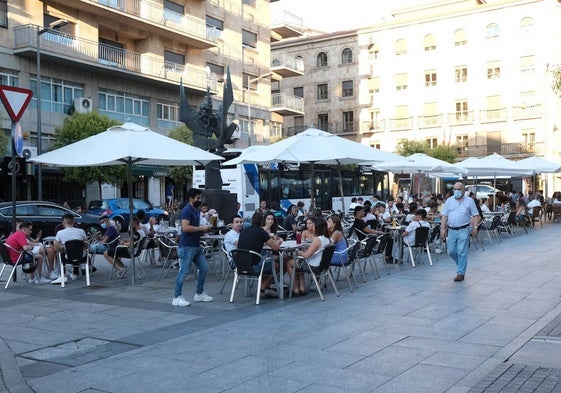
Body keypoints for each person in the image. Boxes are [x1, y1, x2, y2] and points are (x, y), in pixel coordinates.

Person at [172, 188, 214, 307]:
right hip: (186, 246)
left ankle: (199, 293)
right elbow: (185, 228)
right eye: (197, 198)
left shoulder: (196, 210)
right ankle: (177, 296)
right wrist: (201, 229)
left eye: (200, 198)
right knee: (183, 272)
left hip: (195, 245)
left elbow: (194, 226)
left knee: (204, 268)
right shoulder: (186, 211)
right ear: (191, 198)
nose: (199, 200)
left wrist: (205, 228)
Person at [440, 182, 481, 282]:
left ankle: (460, 273)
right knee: (451, 251)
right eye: (455, 189)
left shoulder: (469, 201)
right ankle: (461, 265)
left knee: (461, 251)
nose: (456, 191)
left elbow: (476, 215)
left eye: (458, 189)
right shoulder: (449, 201)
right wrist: (442, 228)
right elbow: (444, 216)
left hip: (464, 229)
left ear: (463, 190)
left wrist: (475, 228)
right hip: (451, 230)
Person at [237, 212, 283, 298]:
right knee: (276, 265)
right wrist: (279, 241)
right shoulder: (262, 232)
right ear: (262, 221)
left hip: (240, 265)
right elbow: (275, 248)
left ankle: (266, 288)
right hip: (254, 266)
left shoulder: (243, 231)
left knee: (267, 262)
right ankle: (262, 288)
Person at [287, 217, 331, 295]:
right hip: (323, 266)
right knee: (298, 262)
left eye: (313, 225)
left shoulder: (317, 239)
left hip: (313, 266)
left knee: (290, 263)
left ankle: (295, 288)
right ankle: (301, 286)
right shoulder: (327, 239)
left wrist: (299, 252)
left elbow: (306, 255)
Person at [53, 213, 88, 283]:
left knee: (60, 253)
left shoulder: (60, 233)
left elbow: (55, 248)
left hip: (67, 258)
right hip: (82, 257)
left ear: (63, 222)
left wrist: (61, 247)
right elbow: (86, 246)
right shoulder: (81, 231)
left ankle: (63, 275)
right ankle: (75, 272)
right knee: (77, 250)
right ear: (73, 221)